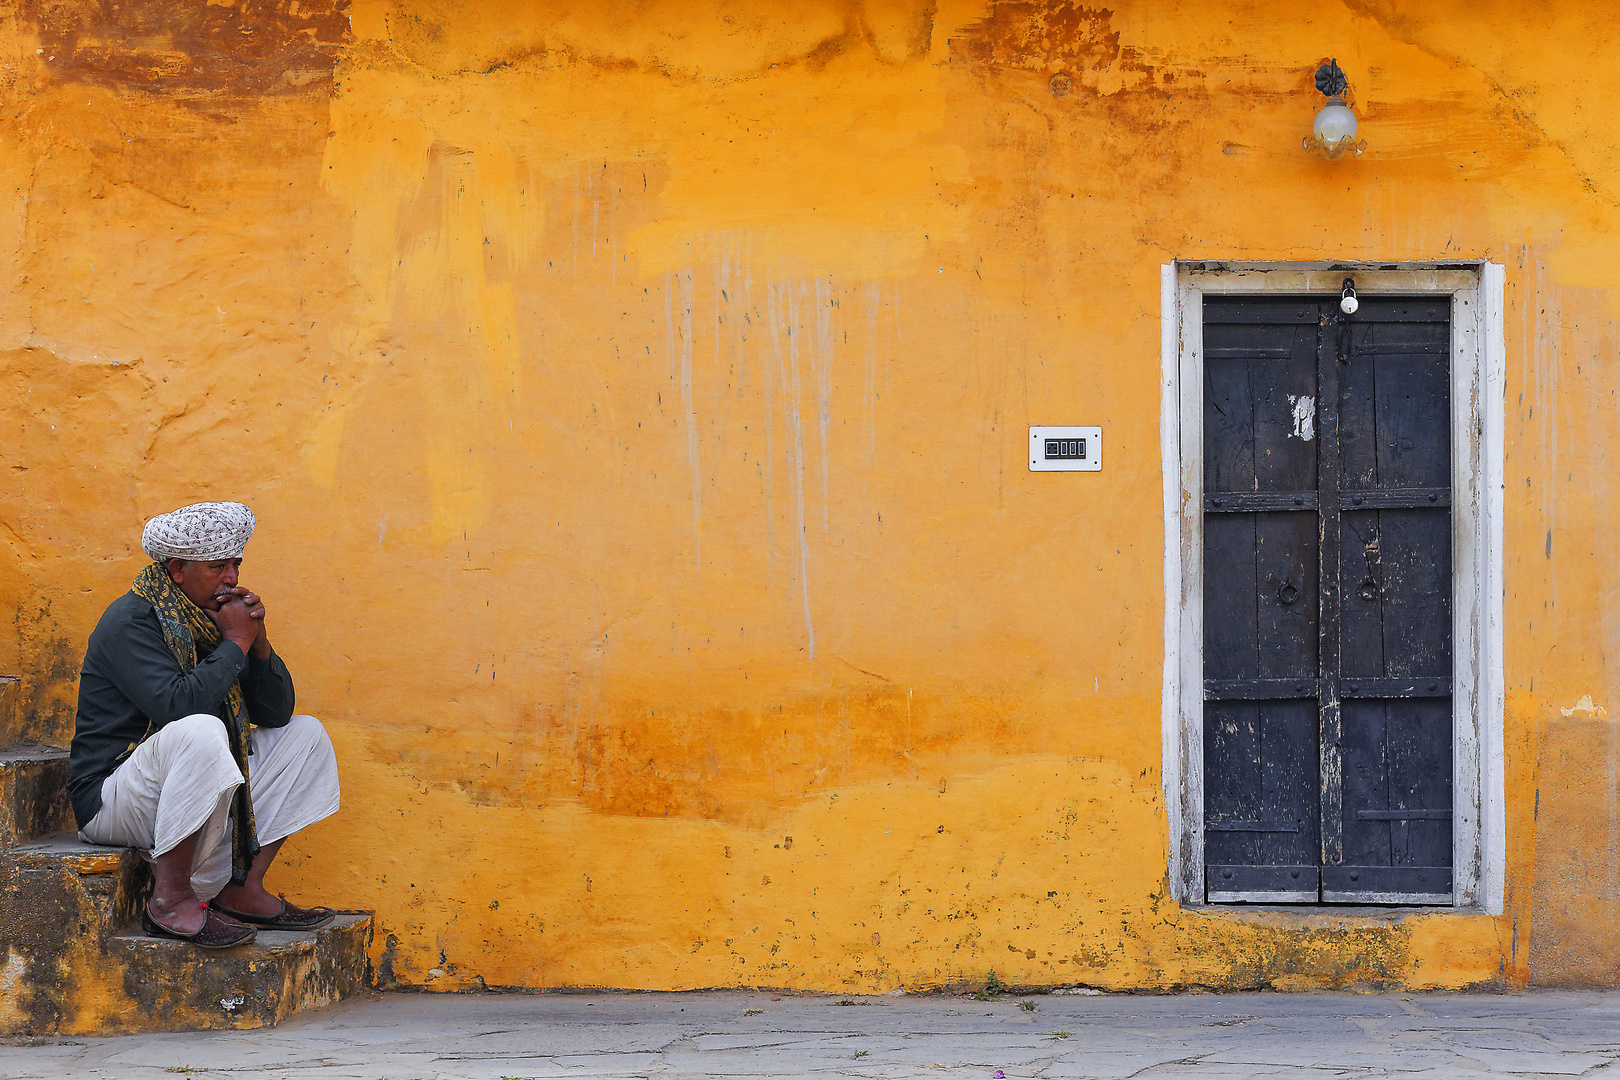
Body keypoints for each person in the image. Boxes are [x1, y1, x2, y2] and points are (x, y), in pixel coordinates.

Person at [67, 501, 341, 948]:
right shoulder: (130, 620)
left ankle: (241, 887)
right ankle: (171, 902)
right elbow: (178, 705)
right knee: (200, 729)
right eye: (219, 566)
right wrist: (234, 641)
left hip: (181, 785)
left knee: (305, 735)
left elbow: (275, 714)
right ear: (177, 569)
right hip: (111, 798)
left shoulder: (210, 615)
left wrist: (258, 645)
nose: (232, 577)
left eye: (236, 563)